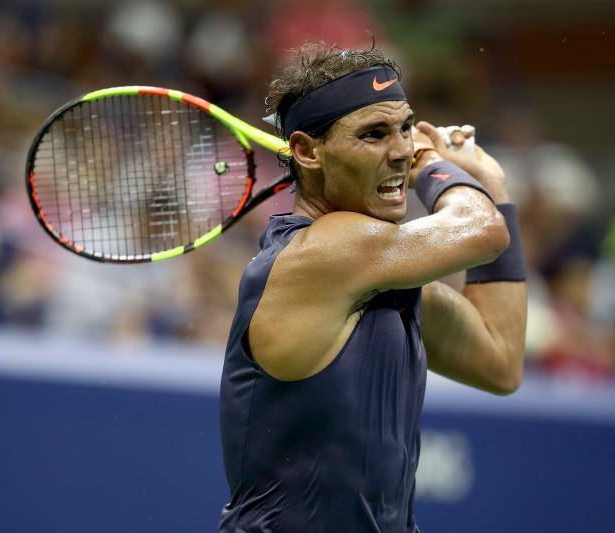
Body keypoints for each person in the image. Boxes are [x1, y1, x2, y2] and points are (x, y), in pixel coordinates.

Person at [219, 44, 527, 532]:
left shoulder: (380, 272)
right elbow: (482, 230)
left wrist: (496, 188)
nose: (401, 148)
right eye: (374, 134)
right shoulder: (326, 254)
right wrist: (433, 162)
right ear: (305, 151)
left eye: (406, 127)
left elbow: (501, 360)